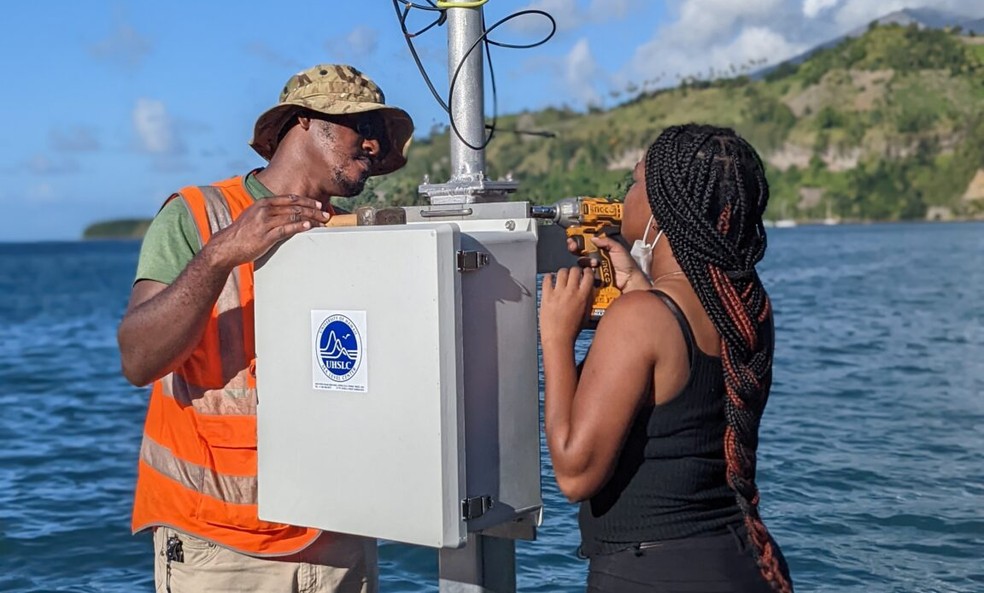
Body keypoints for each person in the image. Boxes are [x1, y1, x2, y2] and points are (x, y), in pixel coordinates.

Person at [117, 64, 414, 593]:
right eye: (360, 125)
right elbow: (138, 359)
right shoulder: (197, 215)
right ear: (304, 122)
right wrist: (221, 255)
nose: (373, 144)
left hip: (340, 531)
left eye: (379, 133)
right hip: (218, 547)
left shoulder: (356, 238)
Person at [538, 123, 794, 592]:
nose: (625, 197)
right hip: (746, 561)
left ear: (660, 210)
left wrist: (556, 337)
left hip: (652, 573)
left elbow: (575, 474)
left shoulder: (642, 317)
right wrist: (640, 287)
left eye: (634, 183)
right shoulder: (749, 306)